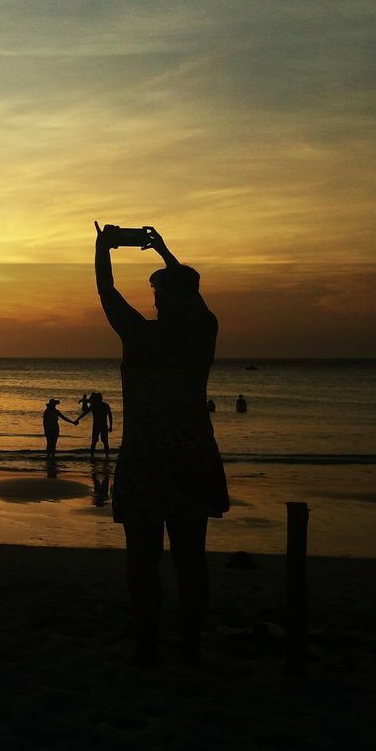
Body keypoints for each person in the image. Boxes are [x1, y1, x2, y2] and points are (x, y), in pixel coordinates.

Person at [95, 222, 228, 666]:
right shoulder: (202, 336)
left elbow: (107, 290)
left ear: (163, 299)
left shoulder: (141, 338)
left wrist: (104, 245)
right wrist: (165, 254)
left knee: (143, 563)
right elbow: (196, 300)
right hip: (192, 460)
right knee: (191, 560)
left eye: (157, 294)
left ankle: (147, 647)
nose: (153, 300)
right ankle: (190, 647)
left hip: (147, 463)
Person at [76, 392, 114, 459]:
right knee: (104, 441)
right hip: (103, 425)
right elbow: (110, 416)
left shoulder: (95, 405)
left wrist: (78, 419)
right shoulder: (105, 405)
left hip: (98, 425)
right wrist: (111, 426)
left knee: (95, 441)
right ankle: (105, 456)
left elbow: (85, 413)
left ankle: (93, 456)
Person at [42, 399, 78, 464]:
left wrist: (72, 422)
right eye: (53, 405)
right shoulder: (47, 411)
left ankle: (51, 456)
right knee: (50, 443)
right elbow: (44, 422)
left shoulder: (55, 411)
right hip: (50, 429)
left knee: (53, 443)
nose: (54, 406)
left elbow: (64, 418)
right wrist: (45, 430)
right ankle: (49, 456)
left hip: (55, 429)